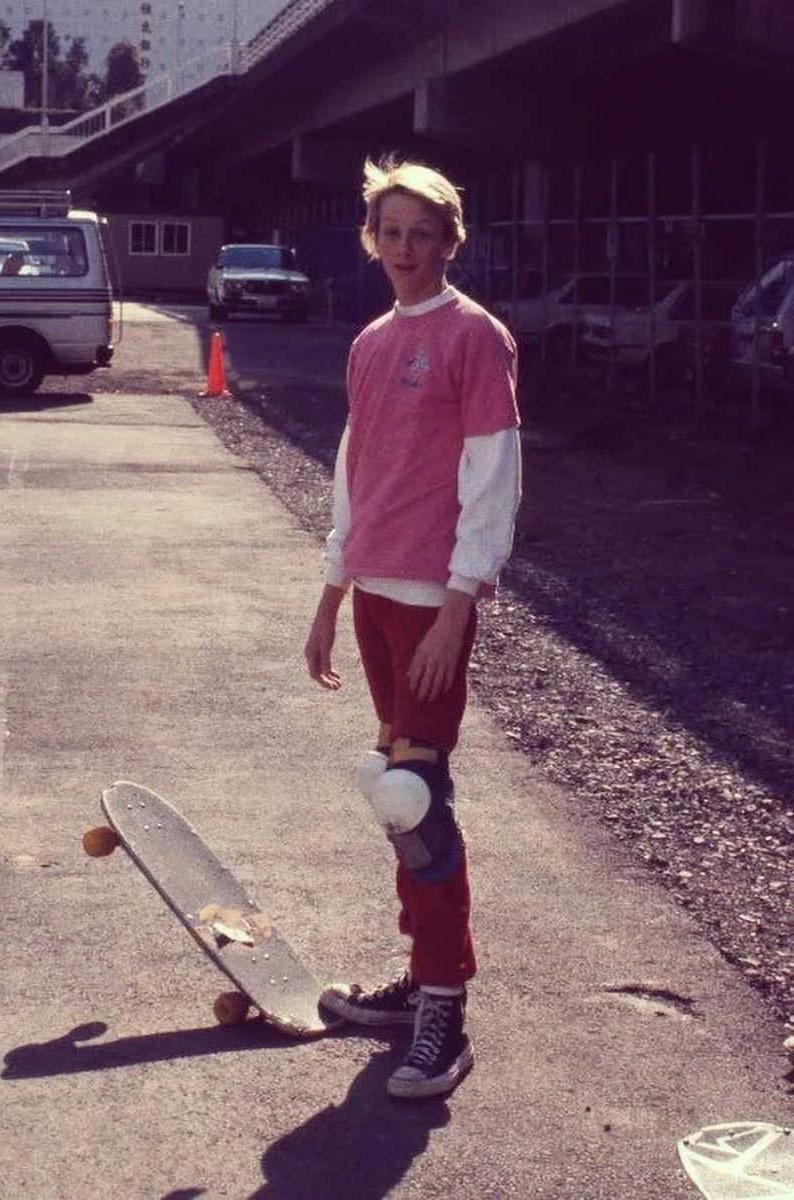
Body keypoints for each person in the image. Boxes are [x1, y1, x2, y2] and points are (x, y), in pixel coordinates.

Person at [304, 157, 521, 1100]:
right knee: (393, 789)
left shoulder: (477, 338)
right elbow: (355, 470)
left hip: (435, 599)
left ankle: (445, 1009)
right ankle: (415, 983)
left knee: (419, 799)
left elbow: (494, 474)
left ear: (449, 242)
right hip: (377, 594)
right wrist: (329, 594)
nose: (404, 249)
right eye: (389, 233)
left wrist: (461, 598)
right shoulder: (369, 340)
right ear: (372, 240)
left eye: (421, 234)